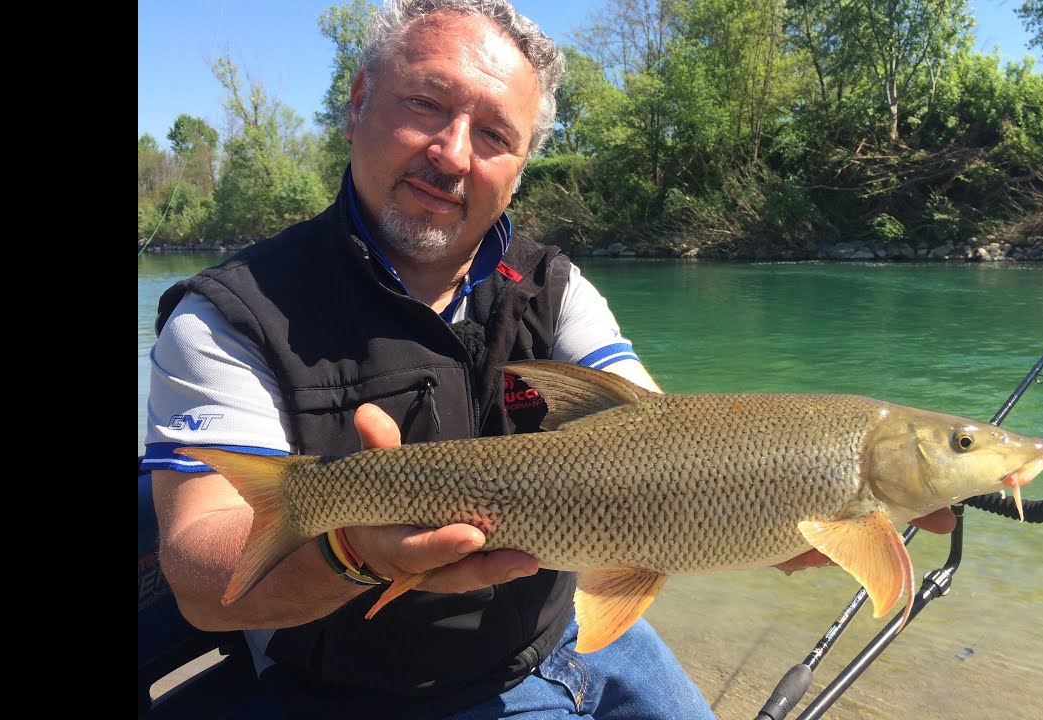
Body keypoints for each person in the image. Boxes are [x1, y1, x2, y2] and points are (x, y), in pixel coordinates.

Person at [142, 1, 954, 718]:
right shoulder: (227, 317)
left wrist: (762, 505)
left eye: (495, 134)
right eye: (426, 105)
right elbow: (202, 578)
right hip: (387, 690)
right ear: (357, 104)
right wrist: (349, 549)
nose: (454, 154)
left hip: (575, 629)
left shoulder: (553, 287)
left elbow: (661, 431)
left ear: (522, 164)